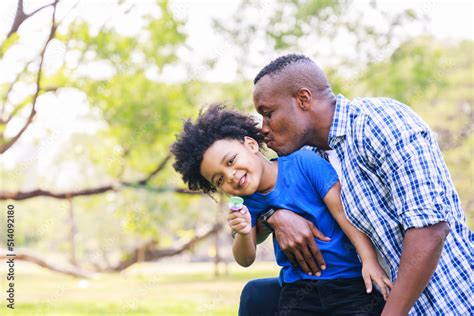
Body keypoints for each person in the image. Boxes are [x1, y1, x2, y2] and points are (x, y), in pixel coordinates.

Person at [242, 54, 472, 315]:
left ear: (303, 99)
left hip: (442, 303)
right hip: (366, 295)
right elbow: (263, 184)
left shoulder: (379, 123)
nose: (263, 128)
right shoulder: (308, 156)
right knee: (257, 297)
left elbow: (430, 230)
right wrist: (275, 215)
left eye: (268, 114)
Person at [170, 105, 392, 315]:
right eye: (219, 179)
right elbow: (245, 259)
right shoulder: (247, 204)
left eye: (230, 161)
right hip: (298, 290)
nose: (231, 176)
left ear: (251, 145)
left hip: (349, 282)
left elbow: (343, 213)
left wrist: (369, 259)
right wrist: (245, 231)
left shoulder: (304, 163)